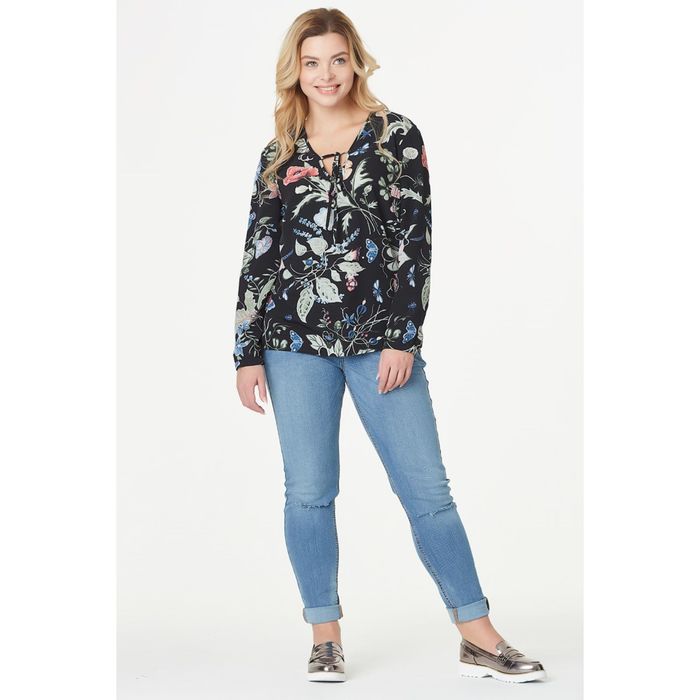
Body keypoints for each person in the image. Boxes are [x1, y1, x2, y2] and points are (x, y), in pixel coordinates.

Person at [234, 7, 546, 684]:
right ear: (295, 70)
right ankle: (325, 637)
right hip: (292, 342)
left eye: (337, 60)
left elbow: (415, 242)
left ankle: (478, 635)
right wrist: (247, 351)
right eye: (311, 63)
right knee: (309, 492)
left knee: (427, 490)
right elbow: (259, 254)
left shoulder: (396, 135)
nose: (326, 75)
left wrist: (403, 336)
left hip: (380, 341)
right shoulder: (279, 151)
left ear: (356, 62)